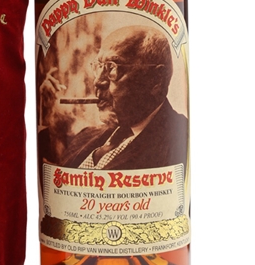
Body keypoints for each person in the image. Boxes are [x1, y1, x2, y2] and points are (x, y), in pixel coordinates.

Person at [39, 25, 188, 172]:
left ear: (156, 79)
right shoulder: (89, 135)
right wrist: (52, 117)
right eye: (99, 66)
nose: (98, 81)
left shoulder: (180, 141)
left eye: (112, 68)